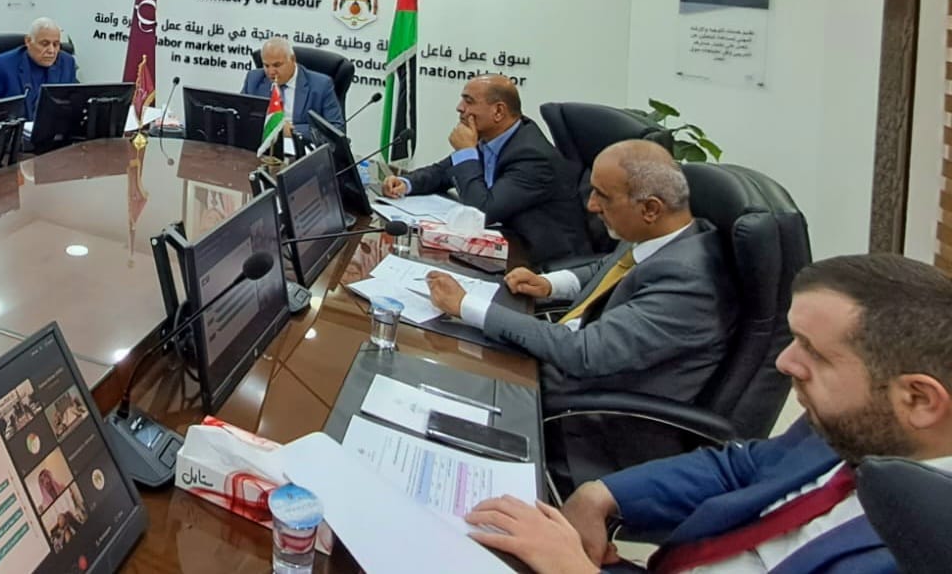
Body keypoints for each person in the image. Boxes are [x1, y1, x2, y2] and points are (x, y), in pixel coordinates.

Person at [465, 253, 952, 574]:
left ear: (920, 400)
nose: (784, 363)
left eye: (815, 353)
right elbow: (745, 467)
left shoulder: (921, 550)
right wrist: (602, 494)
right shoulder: (861, 425)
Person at [425, 140, 730, 481]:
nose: (591, 205)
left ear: (650, 208)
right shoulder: (665, 234)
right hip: (563, 374)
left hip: (589, 423)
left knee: (440, 398)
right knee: (443, 367)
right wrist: (550, 284)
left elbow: (584, 352)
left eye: (603, 196)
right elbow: (609, 266)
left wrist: (466, 305)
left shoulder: (688, 282)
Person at [382, 76, 588, 265]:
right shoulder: (492, 137)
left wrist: (466, 152)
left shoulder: (533, 157)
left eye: (469, 101)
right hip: (502, 245)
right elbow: (442, 172)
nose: (459, 108)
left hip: (543, 262)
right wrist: (406, 183)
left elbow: (480, 211)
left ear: (498, 111)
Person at [240, 37, 345, 143]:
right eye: (266, 65)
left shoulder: (321, 85)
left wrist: (293, 130)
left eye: (277, 65)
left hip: (300, 146)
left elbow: (336, 129)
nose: (271, 72)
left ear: (292, 59)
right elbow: (240, 117)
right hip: (264, 145)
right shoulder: (254, 79)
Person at [0, 17, 79, 120]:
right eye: (44, 44)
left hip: (54, 130)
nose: (51, 50)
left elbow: (75, 102)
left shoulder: (67, 63)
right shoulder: (0, 65)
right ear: (28, 41)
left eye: (56, 44)